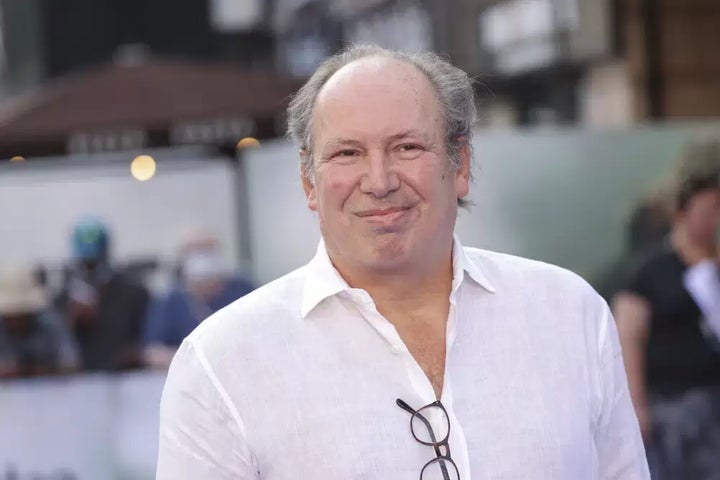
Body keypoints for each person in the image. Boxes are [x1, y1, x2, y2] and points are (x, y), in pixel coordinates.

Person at [157, 45, 649, 479]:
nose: (379, 180)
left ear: (461, 166)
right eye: (347, 153)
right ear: (309, 182)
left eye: (407, 147)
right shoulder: (223, 362)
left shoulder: (568, 314)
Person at [614, 137, 720, 479]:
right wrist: (635, 405)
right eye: (711, 209)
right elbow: (629, 337)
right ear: (685, 209)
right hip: (673, 408)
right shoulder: (650, 272)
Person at [143, 230, 254, 368]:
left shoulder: (242, 290)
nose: (202, 258)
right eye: (196, 252)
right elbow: (153, 352)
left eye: (208, 251)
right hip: (190, 379)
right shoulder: (170, 300)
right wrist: (195, 363)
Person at [55, 217, 150, 371]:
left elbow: (145, 338)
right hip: (82, 378)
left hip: (124, 376)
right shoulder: (63, 299)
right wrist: (71, 320)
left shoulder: (134, 293)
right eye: (86, 263)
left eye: (95, 262)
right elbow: (56, 346)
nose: (91, 269)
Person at [0, 267, 78, 378]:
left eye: (19, 314)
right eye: (10, 315)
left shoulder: (50, 324)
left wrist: (43, 370)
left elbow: (72, 364)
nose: (14, 321)